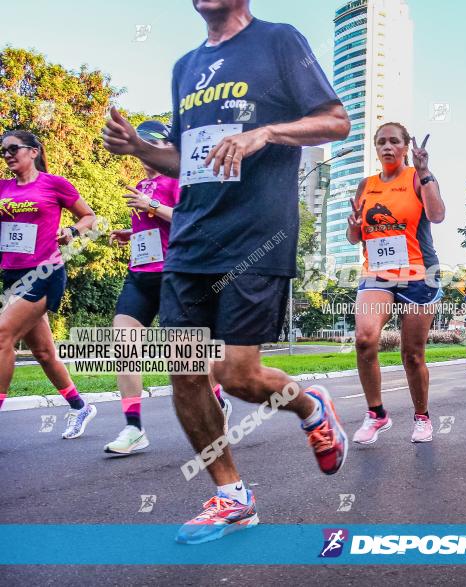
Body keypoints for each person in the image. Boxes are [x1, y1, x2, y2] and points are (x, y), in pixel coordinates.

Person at [102, 0, 351, 544]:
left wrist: (265, 133)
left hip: (255, 237)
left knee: (237, 376)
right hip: (190, 239)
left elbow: (337, 121)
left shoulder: (279, 40)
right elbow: (187, 161)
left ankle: (311, 407)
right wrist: (141, 149)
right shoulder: (184, 67)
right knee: (187, 371)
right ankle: (231, 496)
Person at [103, 121, 230, 455]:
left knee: (190, 360)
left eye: (150, 144)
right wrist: (131, 234)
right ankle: (133, 428)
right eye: (139, 144)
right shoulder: (142, 183)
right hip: (140, 276)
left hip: (176, 277)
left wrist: (152, 206)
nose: (143, 150)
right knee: (123, 345)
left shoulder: (181, 180)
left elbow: (192, 222)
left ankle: (217, 402)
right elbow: (159, 229)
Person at [347, 123, 445, 445]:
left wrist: (426, 171)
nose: (387, 147)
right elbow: (355, 238)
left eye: (394, 141)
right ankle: (377, 414)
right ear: (376, 148)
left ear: (405, 147)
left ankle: (422, 417)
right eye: (381, 142)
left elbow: (438, 214)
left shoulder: (417, 177)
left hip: (418, 273)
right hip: (377, 273)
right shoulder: (367, 185)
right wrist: (353, 226)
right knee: (364, 339)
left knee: (412, 354)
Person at [0, 130, 98, 437]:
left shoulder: (54, 184)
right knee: (43, 352)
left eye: (13, 148)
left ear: (33, 151)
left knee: (2, 336)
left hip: (45, 272)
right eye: (3, 151)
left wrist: (71, 231)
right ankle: (80, 406)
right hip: (13, 274)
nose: (7, 155)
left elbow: (89, 218)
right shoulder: (3, 188)